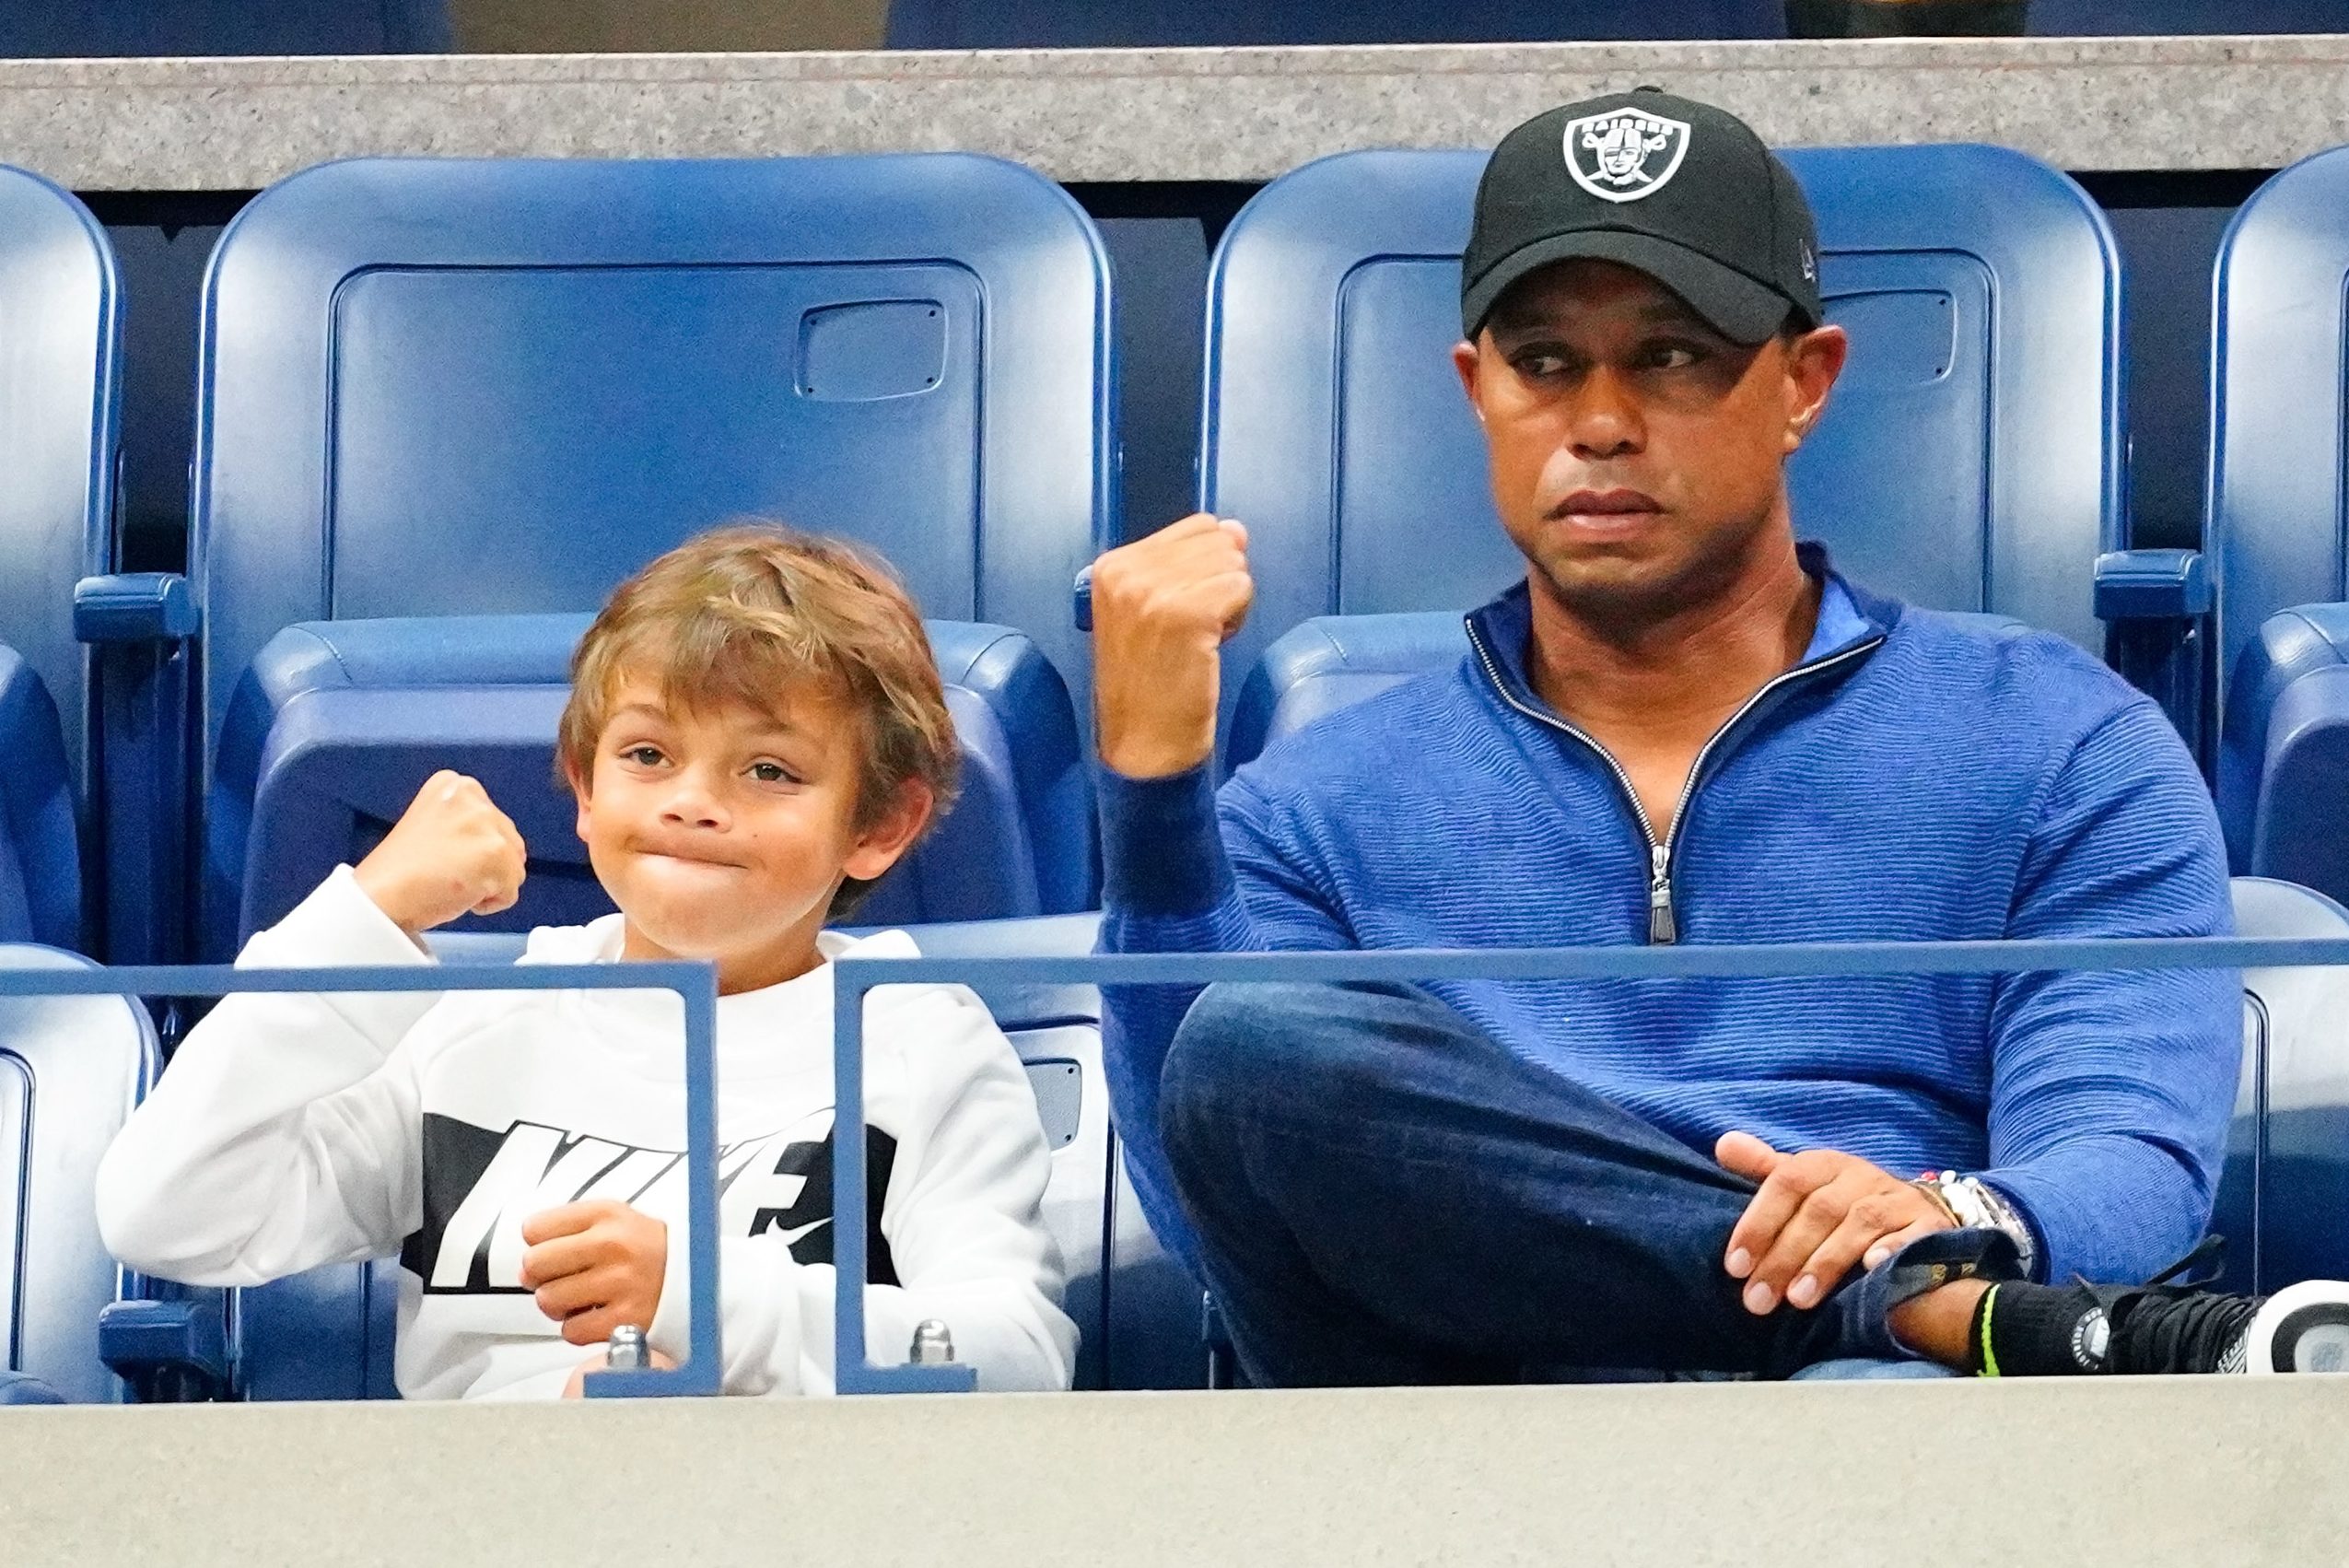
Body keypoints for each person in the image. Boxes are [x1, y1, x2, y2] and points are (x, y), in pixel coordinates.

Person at [1085, 89, 2349, 1383]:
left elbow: (2123, 1158)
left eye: (1673, 355)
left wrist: (1958, 1215)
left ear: (1803, 382)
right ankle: (1884, 1300)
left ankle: (1884, 1313)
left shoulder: (2059, 742)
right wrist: (1154, 803)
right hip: (1462, 1427)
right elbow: (1221, 1203)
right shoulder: (1312, 804)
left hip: (1878, 1435)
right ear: (1477, 390)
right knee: (1255, 1045)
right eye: (1543, 362)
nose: (1599, 421)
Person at [98, 524, 1078, 1398]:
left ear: (880, 826)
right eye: (648, 755)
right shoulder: (471, 1022)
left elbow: (1020, 1359)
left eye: (769, 769)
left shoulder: (916, 1040)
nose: (692, 801)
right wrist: (363, 916)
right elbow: (164, 1213)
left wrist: (705, 1305)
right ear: (580, 784)